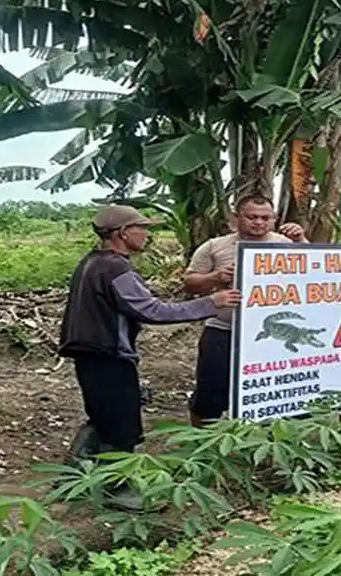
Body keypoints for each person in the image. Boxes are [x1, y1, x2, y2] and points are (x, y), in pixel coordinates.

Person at [60, 204, 240, 508]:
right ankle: (117, 491)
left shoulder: (92, 262)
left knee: (104, 413)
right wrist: (212, 302)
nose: (147, 234)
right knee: (121, 425)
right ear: (122, 233)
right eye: (142, 228)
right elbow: (152, 310)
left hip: (90, 352)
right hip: (108, 354)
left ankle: (70, 475)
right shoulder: (117, 269)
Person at [182, 195, 307, 427]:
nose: (258, 222)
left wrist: (301, 240)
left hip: (271, 335)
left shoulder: (285, 244)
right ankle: (202, 444)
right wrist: (215, 277)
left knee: (271, 390)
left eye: (265, 218)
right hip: (223, 330)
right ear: (236, 217)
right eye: (251, 217)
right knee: (210, 391)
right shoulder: (214, 246)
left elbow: (318, 271)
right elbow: (189, 281)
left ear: (273, 219)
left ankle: (264, 441)